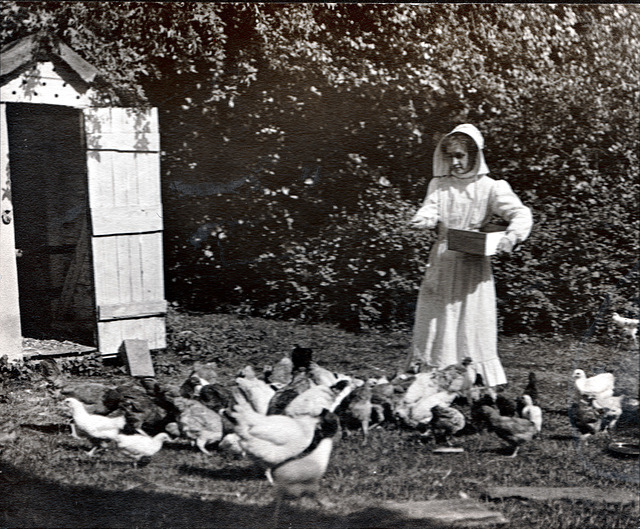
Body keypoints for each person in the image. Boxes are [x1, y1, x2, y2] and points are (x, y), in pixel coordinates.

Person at [407, 124, 532, 389]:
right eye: (450, 155)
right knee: (437, 316)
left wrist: (511, 237)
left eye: (461, 156)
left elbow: (521, 214)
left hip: (472, 261)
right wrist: (423, 220)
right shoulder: (439, 185)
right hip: (442, 259)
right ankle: (433, 373)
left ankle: (472, 376)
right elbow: (430, 210)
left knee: (472, 319)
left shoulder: (491, 187)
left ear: (474, 156)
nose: (455, 162)